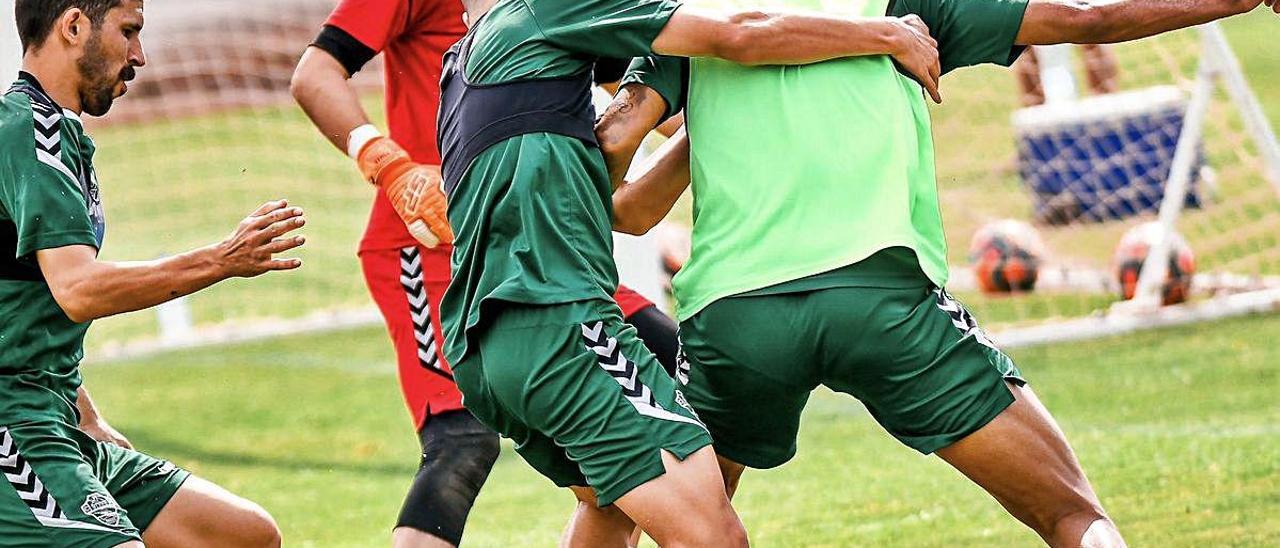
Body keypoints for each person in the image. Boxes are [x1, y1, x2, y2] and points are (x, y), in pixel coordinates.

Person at [596, 0, 1279, 546]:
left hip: (734, 321)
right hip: (881, 301)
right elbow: (1085, 19)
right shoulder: (905, 7)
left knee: (662, 521)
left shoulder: (690, 21)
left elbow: (623, 183)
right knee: (1070, 513)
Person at [434, 0, 944, 545]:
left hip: (483, 348)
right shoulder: (543, 9)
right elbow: (741, 32)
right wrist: (888, 35)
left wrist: (712, 115)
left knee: (611, 511)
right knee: (713, 536)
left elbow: (629, 209)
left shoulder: (459, 72)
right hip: (561, 326)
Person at [287, 2, 682, 546]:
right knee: (462, 442)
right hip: (428, 252)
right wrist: (389, 165)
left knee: (678, 373)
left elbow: (640, 98)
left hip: (541, 250)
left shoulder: (555, 7)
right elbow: (314, 73)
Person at [0, 0, 311, 546]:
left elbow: (29, 304)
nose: (139, 55)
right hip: (13, 428)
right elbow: (76, 290)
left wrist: (87, 417)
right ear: (73, 27)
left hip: (57, 418)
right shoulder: (26, 132)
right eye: (128, 31)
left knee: (243, 536)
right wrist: (221, 260)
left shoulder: (56, 135)